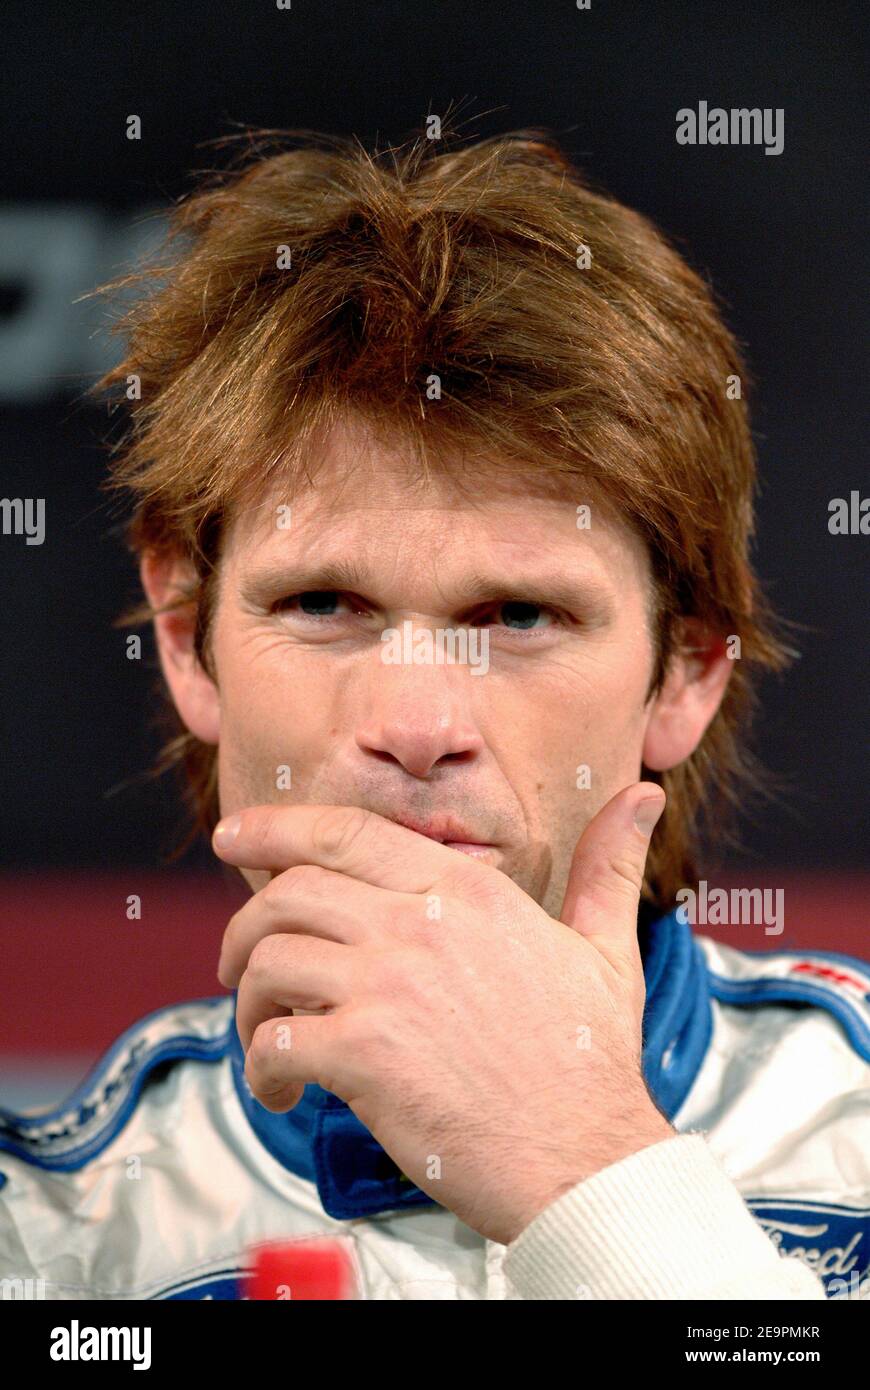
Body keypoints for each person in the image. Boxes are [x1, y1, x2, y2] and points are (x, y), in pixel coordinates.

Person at [1, 129, 866, 1301]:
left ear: (688, 670)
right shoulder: (47, 1241)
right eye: (321, 603)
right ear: (185, 635)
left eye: (517, 615)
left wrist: (586, 1167)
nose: (416, 720)